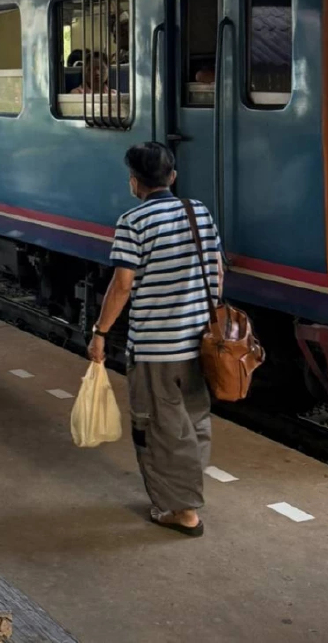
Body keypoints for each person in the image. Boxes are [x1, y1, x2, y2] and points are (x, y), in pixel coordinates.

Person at [88, 142, 222, 537]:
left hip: (154, 350)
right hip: (198, 343)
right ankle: (188, 493)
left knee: (160, 429)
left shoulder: (133, 221)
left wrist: (100, 332)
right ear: (172, 177)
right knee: (194, 421)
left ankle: (181, 511)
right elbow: (216, 269)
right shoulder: (197, 212)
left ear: (134, 181)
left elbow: (122, 284)